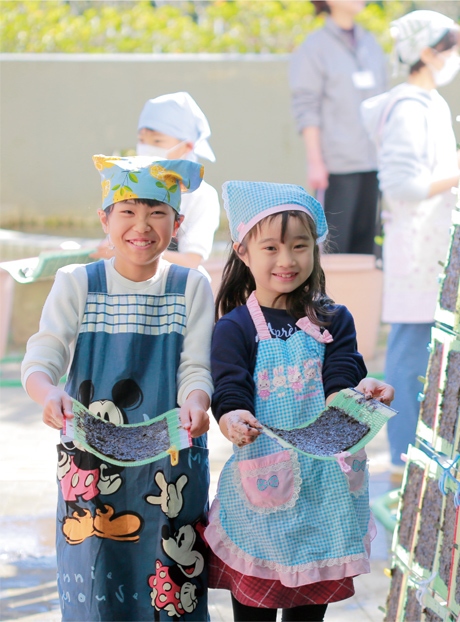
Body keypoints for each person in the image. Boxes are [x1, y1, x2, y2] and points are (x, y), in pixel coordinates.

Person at [21, 155, 214, 620]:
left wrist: (196, 400)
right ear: (105, 218)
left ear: (178, 222)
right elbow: (42, 358)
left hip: (171, 464)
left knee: (171, 581)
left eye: (157, 213)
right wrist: (48, 393)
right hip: (91, 463)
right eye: (127, 211)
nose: (141, 226)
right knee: (95, 581)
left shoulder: (191, 285)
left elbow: (196, 366)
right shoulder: (77, 283)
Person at [203, 181, 394, 621]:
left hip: (325, 493)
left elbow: (342, 375)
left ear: (315, 250)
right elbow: (229, 385)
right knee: (254, 608)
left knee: (309, 613)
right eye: (270, 247)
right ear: (243, 252)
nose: (287, 260)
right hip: (263, 488)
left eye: (299, 246)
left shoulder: (334, 318)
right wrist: (231, 415)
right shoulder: (235, 327)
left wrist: (359, 394)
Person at [360, 10, 460, 476]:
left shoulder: (428, 102)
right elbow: (402, 184)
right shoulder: (408, 108)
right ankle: (403, 458)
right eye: (449, 48)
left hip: (429, 243)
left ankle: (415, 455)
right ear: (426, 53)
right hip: (416, 245)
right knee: (408, 352)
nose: (455, 58)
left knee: (421, 348)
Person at [289, 0, 387, 254]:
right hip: (337, 166)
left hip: (374, 163)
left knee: (367, 249)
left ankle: (359, 296)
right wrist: (315, 161)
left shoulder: (371, 43)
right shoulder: (314, 47)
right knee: (333, 250)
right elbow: (306, 107)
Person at [92, 91, 220, 268]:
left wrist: (129, 251)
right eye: (142, 140)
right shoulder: (132, 182)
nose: (147, 147)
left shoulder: (201, 196)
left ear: (187, 146)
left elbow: (191, 262)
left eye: (157, 141)